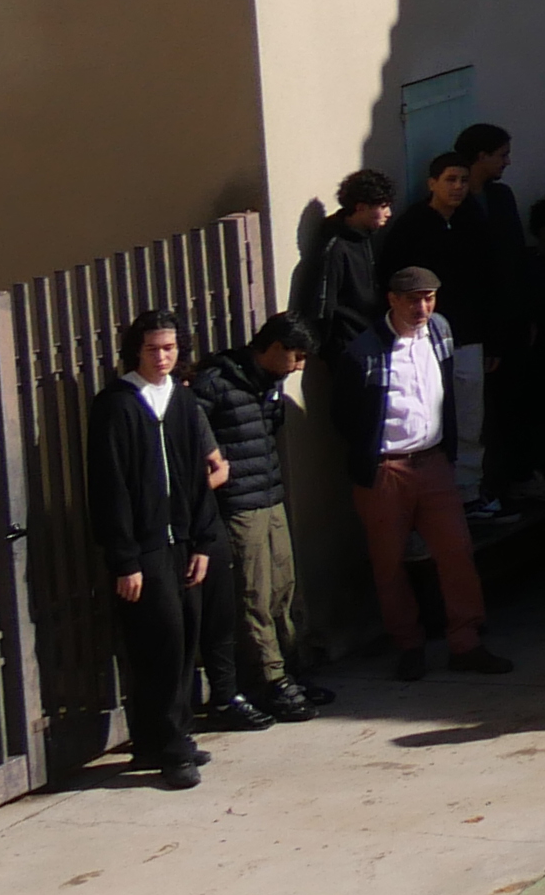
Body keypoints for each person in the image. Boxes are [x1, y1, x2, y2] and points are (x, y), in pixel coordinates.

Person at [341, 266, 506, 683]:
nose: (423, 307)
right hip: (385, 468)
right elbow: (345, 416)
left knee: (456, 550)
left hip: (432, 461)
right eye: (414, 299)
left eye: (430, 297)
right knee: (389, 563)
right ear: (392, 300)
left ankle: (465, 642)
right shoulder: (365, 350)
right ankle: (408, 645)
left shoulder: (440, 332)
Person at [89, 314, 221, 790]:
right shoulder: (117, 406)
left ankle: (160, 737)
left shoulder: (182, 401)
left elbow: (198, 479)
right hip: (144, 548)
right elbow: (110, 487)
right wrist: (124, 559)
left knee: (186, 637)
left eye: (169, 348)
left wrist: (203, 540)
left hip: (182, 539)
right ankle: (171, 746)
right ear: (135, 352)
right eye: (152, 349)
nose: (162, 357)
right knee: (160, 642)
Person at [195, 314, 321, 722]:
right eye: (296, 356)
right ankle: (268, 681)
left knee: (283, 587)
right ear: (272, 349)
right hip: (239, 503)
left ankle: (289, 670)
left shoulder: (267, 385)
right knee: (255, 595)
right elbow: (191, 428)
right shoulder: (217, 382)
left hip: (269, 495)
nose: (299, 366)